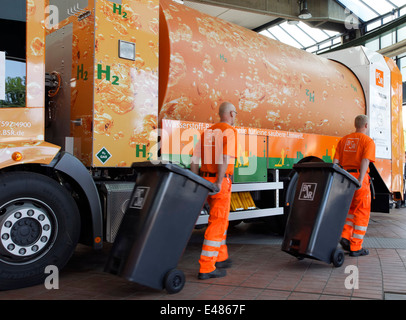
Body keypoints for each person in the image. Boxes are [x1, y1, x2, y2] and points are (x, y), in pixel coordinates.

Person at [190, 101, 238, 279]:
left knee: (221, 221)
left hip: (203, 180)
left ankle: (221, 257)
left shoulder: (207, 132)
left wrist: (197, 180)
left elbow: (194, 160)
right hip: (219, 182)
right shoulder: (230, 131)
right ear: (232, 114)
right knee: (218, 222)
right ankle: (207, 267)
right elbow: (225, 157)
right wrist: (218, 180)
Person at [333, 114, 375, 257]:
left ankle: (345, 237)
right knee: (362, 211)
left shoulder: (344, 140)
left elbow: (335, 161)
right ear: (366, 125)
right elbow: (365, 161)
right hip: (359, 178)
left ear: (355, 124)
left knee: (349, 209)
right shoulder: (368, 141)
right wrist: (360, 179)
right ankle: (356, 247)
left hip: (344, 178)